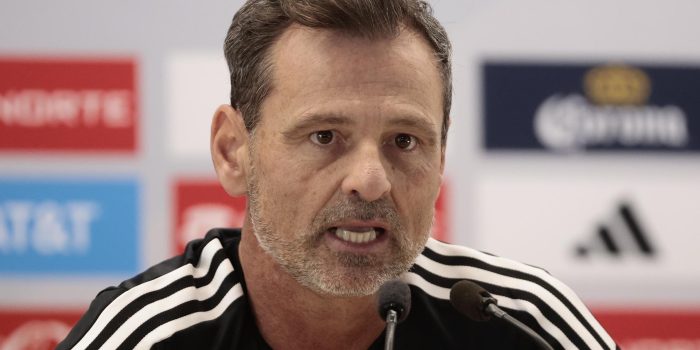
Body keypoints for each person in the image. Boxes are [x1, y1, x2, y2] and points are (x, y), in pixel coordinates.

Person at [58, 0, 618, 349]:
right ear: (234, 152)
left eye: (405, 141)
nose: (371, 182)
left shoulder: (524, 326)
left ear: (441, 160)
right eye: (324, 136)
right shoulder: (144, 336)